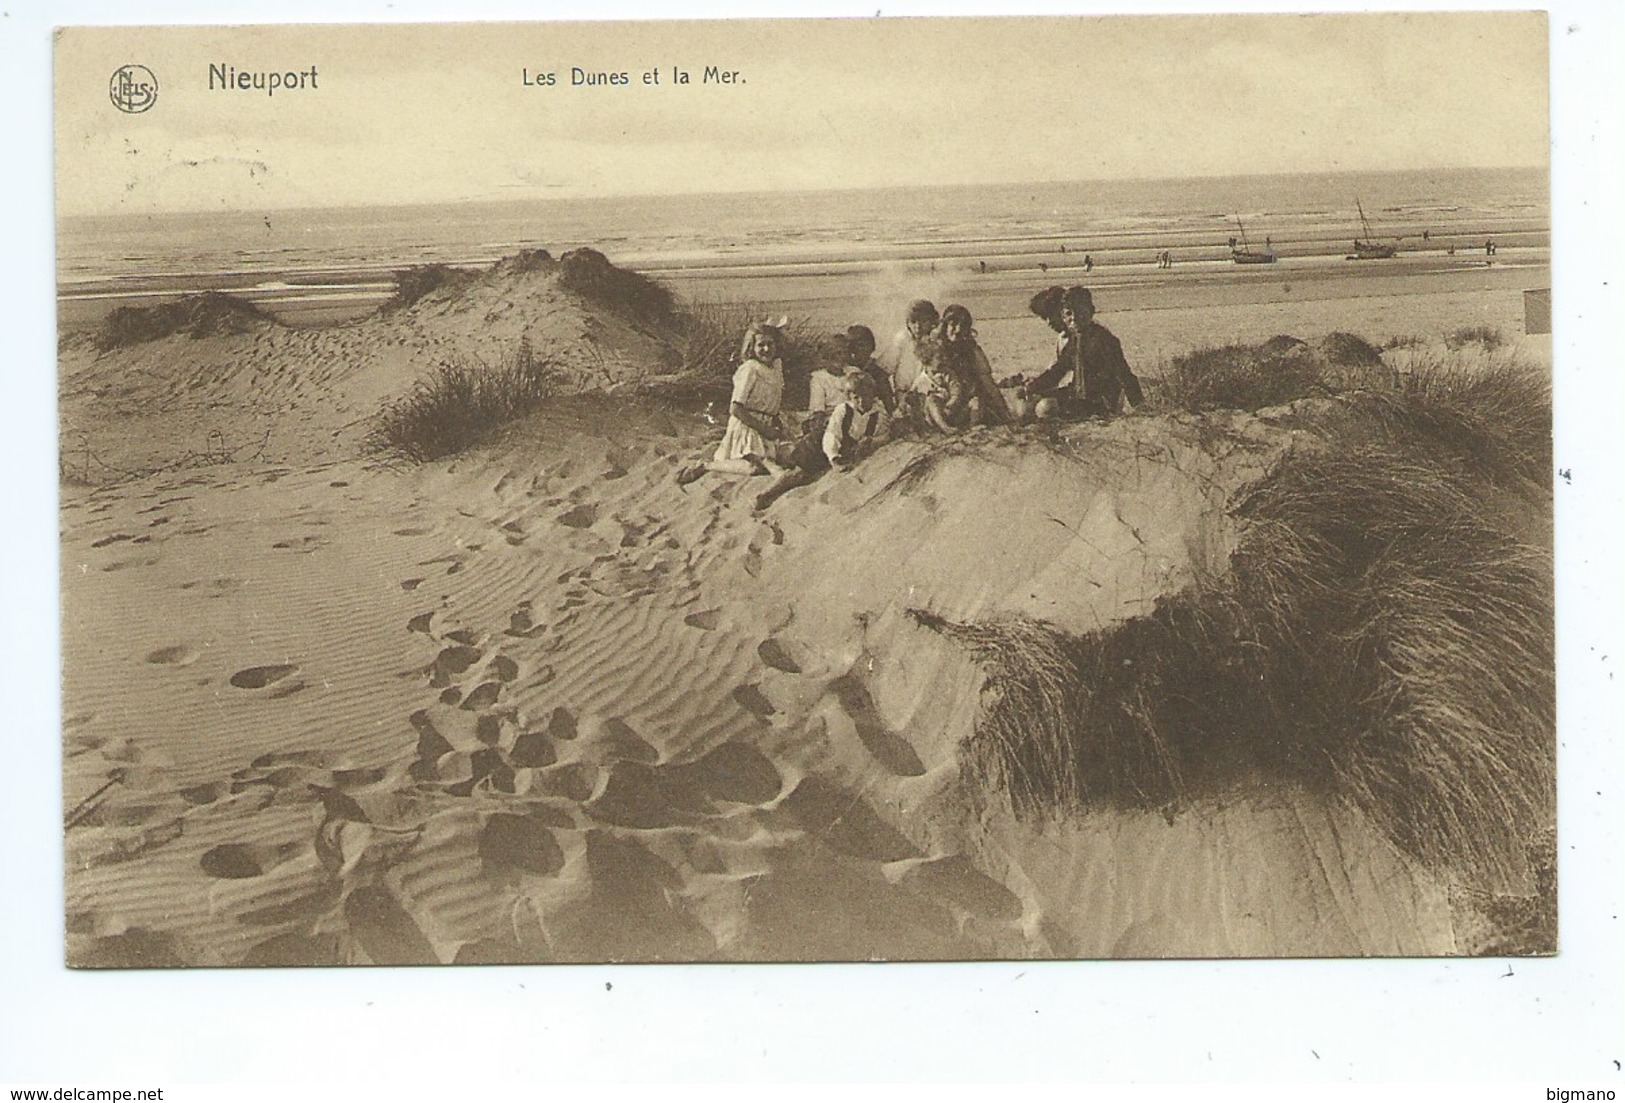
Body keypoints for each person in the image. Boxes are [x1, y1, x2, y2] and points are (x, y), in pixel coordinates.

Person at [677, 320, 790, 485]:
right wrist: (764, 429)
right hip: (748, 426)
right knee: (755, 467)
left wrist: (776, 423)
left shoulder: (776, 367)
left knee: (786, 456)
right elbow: (736, 408)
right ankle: (707, 466)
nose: (766, 349)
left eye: (770, 344)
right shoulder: (750, 369)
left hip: (767, 424)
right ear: (751, 347)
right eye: (761, 345)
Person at [754, 371, 887, 510]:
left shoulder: (877, 413)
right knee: (798, 473)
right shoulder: (843, 410)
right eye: (856, 397)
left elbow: (881, 433)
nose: (862, 401)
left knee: (809, 477)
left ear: (873, 393)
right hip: (819, 444)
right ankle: (767, 493)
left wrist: (871, 441)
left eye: (866, 396)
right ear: (849, 397)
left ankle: (772, 464)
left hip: (843, 448)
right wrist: (833, 458)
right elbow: (832, 435)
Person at [1023, 286, 1143, 420]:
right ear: (1063, 317)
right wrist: (1035, 386)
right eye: (1068, 314)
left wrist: (1139, 406)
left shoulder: (1104, 339)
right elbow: (1058, 370)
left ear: (1091, 312)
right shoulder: (1074, 340)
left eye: (1080, 312)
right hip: (1077, 395)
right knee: (1032, 401)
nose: (1074, 318)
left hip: (1099, 401)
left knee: (1046, 406)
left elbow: (1124, 375)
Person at [922, 304, 1011, 431]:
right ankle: (945, 427)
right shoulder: (934, 350)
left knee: (977, 402)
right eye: (953, 324)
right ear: (945, 326)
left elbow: (988, 383)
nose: (958, 330)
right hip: (943, 406)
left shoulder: (972, 350)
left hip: (965, 406)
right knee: (931, 400)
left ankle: (972, 427)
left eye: (963, 326)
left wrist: (1005, 414)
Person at [878, 299, 939, 419]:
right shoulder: (902, 340)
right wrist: (891, 407)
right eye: (913, 321)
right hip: (905, 396)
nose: (918, 326)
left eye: (924, 321)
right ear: (908, 323)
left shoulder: (937, 340)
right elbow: (883, 372)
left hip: (932, 395)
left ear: (932, 321)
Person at [837, 324, 895, 414]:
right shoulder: (844, 369)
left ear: (871, 347)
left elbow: (888, 404)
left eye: (861, 346)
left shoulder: (878, 374)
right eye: (852, 346)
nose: (856, 351)